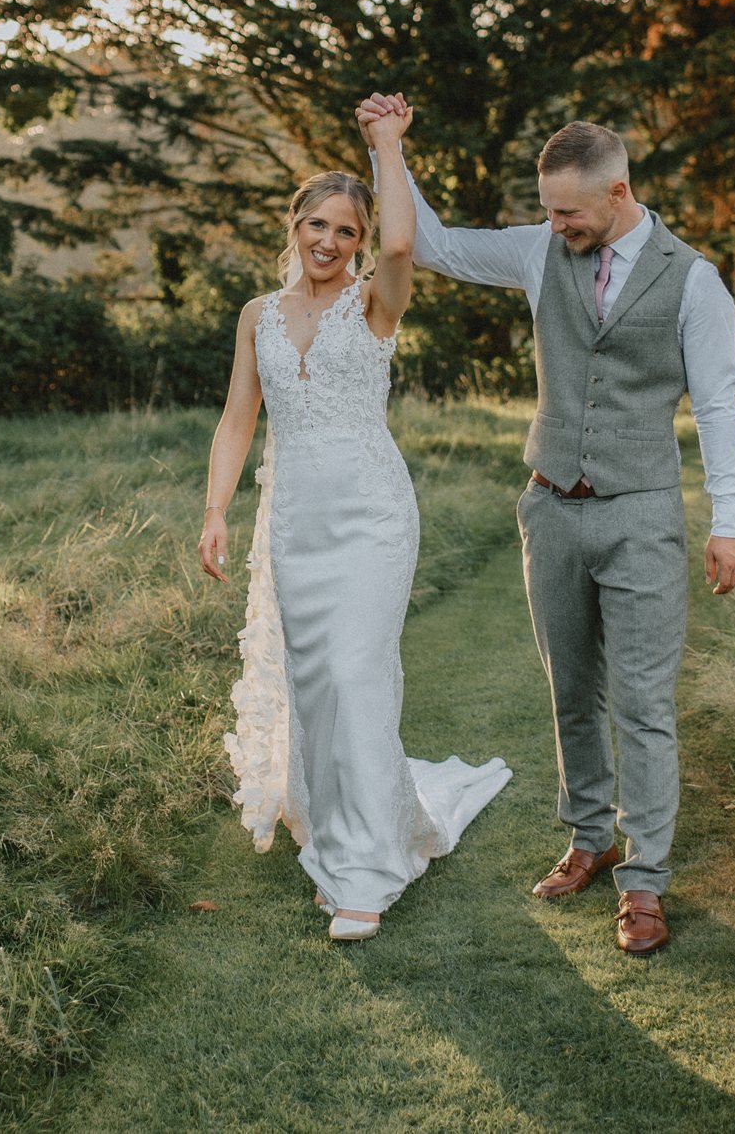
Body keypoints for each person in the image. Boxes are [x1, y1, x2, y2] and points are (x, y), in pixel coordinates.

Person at [357, 94, 735, 957]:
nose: (556, 224)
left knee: (644, 703)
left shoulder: (694, 279)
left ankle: (643, 881)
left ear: (619, 192)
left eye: (570, 211)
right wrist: (389, 146)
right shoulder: (543, 249)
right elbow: (434, 242)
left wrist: (731, 521)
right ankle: (589, 835)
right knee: (571, 687)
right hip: (551, 506)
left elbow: (717, 407)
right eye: (548, 210)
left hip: (643, 510)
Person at [198, 100, 511, 940]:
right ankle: (338, 838)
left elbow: (407, 243)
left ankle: (368, 871)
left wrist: (387, 147)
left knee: (357, 675)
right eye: (317, 224)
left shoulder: (376, 302)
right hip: (294, 519)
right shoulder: (258, 316)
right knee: (317, 689)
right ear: (294, 224)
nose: (330, 241)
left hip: (372, 514)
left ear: (361, 241)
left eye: (347, 230)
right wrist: (216, 511)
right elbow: (237, 420)